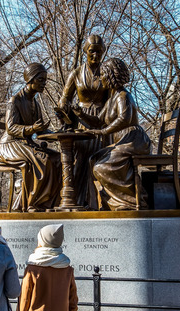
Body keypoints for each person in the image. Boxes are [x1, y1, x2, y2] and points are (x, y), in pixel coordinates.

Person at [75, 58, 150, 210]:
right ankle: (100, 204)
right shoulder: (111, 100)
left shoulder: (123, 96)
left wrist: (103, 132)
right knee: (93, 159)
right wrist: (80, 114)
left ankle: (131, 201)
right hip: (123, 141)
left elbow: (124, 118)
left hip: (133, 140)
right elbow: (98, 120)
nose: (101, 78)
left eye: (103, 74)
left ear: (111, 76)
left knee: (101, 167)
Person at [0, 63, 62, 212]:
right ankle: (32, 203)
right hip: (9, 145)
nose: (44, 83)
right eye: (40, 80)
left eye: (45, 80)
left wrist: (60, 134)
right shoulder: (15, 100)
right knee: (42, 159)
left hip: (25, 144)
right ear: (30, 79)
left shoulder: (35, 104)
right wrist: (31, 129)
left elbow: (41, 131)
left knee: (57, 158)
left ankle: (48, 203)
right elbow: (10, 128)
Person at [57, 35, 109, 209]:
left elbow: (112, 98)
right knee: (80, 160)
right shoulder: (76, 73)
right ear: (85, 51)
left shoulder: (106, 73)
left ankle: (100, 202)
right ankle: (79, 201)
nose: (95, 55)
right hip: (81, 121)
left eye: (99, 52)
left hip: (101, 120)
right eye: (92, 51)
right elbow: (65, 97)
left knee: (99, 159)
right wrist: (63, 107)